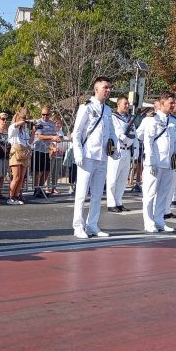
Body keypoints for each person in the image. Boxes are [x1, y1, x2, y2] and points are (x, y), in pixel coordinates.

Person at [71, 76, 118, 239]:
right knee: (82, 193)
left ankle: (92, 225)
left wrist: (114, 148)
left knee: (97, 194)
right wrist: (78, 153)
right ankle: (78, 226)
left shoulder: (107, 110)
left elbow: (111, 132)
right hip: (87, 155)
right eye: (105, 87)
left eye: (109, 87)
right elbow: (76, 133)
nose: (108, 90)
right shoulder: (87, 108)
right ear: (96, 88)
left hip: (102, 156)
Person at [141, 92, 176, 233]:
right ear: (163, 102)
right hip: (155, 163)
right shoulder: (153, 119)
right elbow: (148, 140)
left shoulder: (172, 120)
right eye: (171, 103)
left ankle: (159, 220)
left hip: (168, 164)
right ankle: (149, 222)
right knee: (150, 194)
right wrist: (151, 160)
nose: (173, 105)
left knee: (163, 194)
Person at [106, 96, 137, 213]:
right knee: (113, 178)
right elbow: (117, 131)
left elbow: (135, 133)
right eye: (125, 104)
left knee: (123, 178)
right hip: (117, 150)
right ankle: (111, 203)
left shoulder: (129, 118)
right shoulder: (113, 117)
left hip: (127, 150)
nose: (127, 106)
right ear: (118, 105)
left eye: (128, 104)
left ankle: (118, 202)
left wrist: (136, 147)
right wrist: (124, 138)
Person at [32, 106, 60, 197]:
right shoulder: (38, 122)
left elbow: (54, 136)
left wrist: (54, 145)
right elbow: (39, 136)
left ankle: (40, 188)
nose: (44, 116)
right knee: (37, 171)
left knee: (47, 170)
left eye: (46, 115)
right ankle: (36, 189)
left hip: (46, 150)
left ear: (50, 115)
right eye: (43, 114)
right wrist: (52, 137)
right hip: (38, 149)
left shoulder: (52, 124)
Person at [7, 107, 31, 205]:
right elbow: (15, 125)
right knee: (16, 177)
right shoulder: (13, 128)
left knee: (21, 177)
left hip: (24, 153)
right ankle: (11, 197)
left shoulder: (24, 132)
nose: (23, 122)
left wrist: (33, 131)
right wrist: (24, 120)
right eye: (22, 119)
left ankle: (16, 196)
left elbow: (30, 142)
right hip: (16, 153)